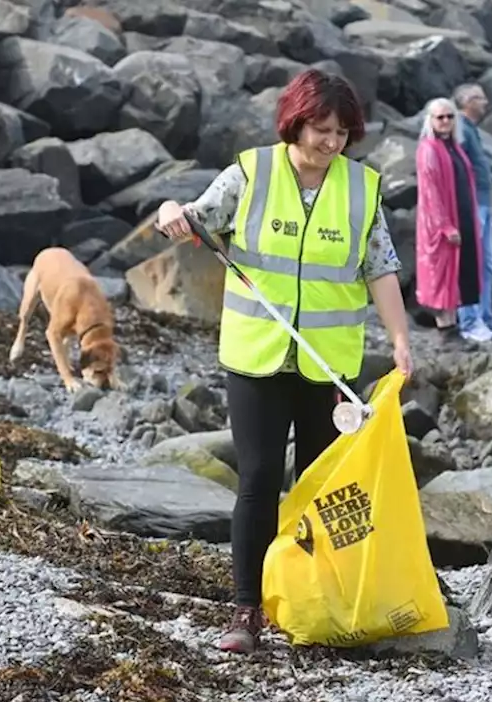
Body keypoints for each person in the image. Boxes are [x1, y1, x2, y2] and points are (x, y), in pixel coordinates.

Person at [154, 68, 413, 655]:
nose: (332, 143)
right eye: (322, 130)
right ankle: (247, 611)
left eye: (343, 133)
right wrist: (171, 208)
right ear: (295, 124)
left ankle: (317, 603)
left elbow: (381, 269)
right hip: (256, 358)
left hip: (330, 364)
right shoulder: (251, 173)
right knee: (259, 478)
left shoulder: (362, 188)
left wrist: (400, 339)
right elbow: (192, 220)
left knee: (322, 488)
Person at [414, 97, 482, 340]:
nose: (445, 121)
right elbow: (430, 192)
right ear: (430, 121)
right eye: (440, 117)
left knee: (457, 275)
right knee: (440, 276)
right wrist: (445, 226)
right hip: (440, 226)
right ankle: (446, 331)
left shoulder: (454, 147)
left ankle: (455, 329)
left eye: (449, 116)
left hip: (461, 218)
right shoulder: (429, 149)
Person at [454, 83, 492, 340]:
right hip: (472, 204)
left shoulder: (472, 129)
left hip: (484, 203)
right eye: (480, 98)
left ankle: (486, 317)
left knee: (487, 263)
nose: (485, 102)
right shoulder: (461, 128)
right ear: (467, 102)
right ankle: (469, 321)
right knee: (471, 264)